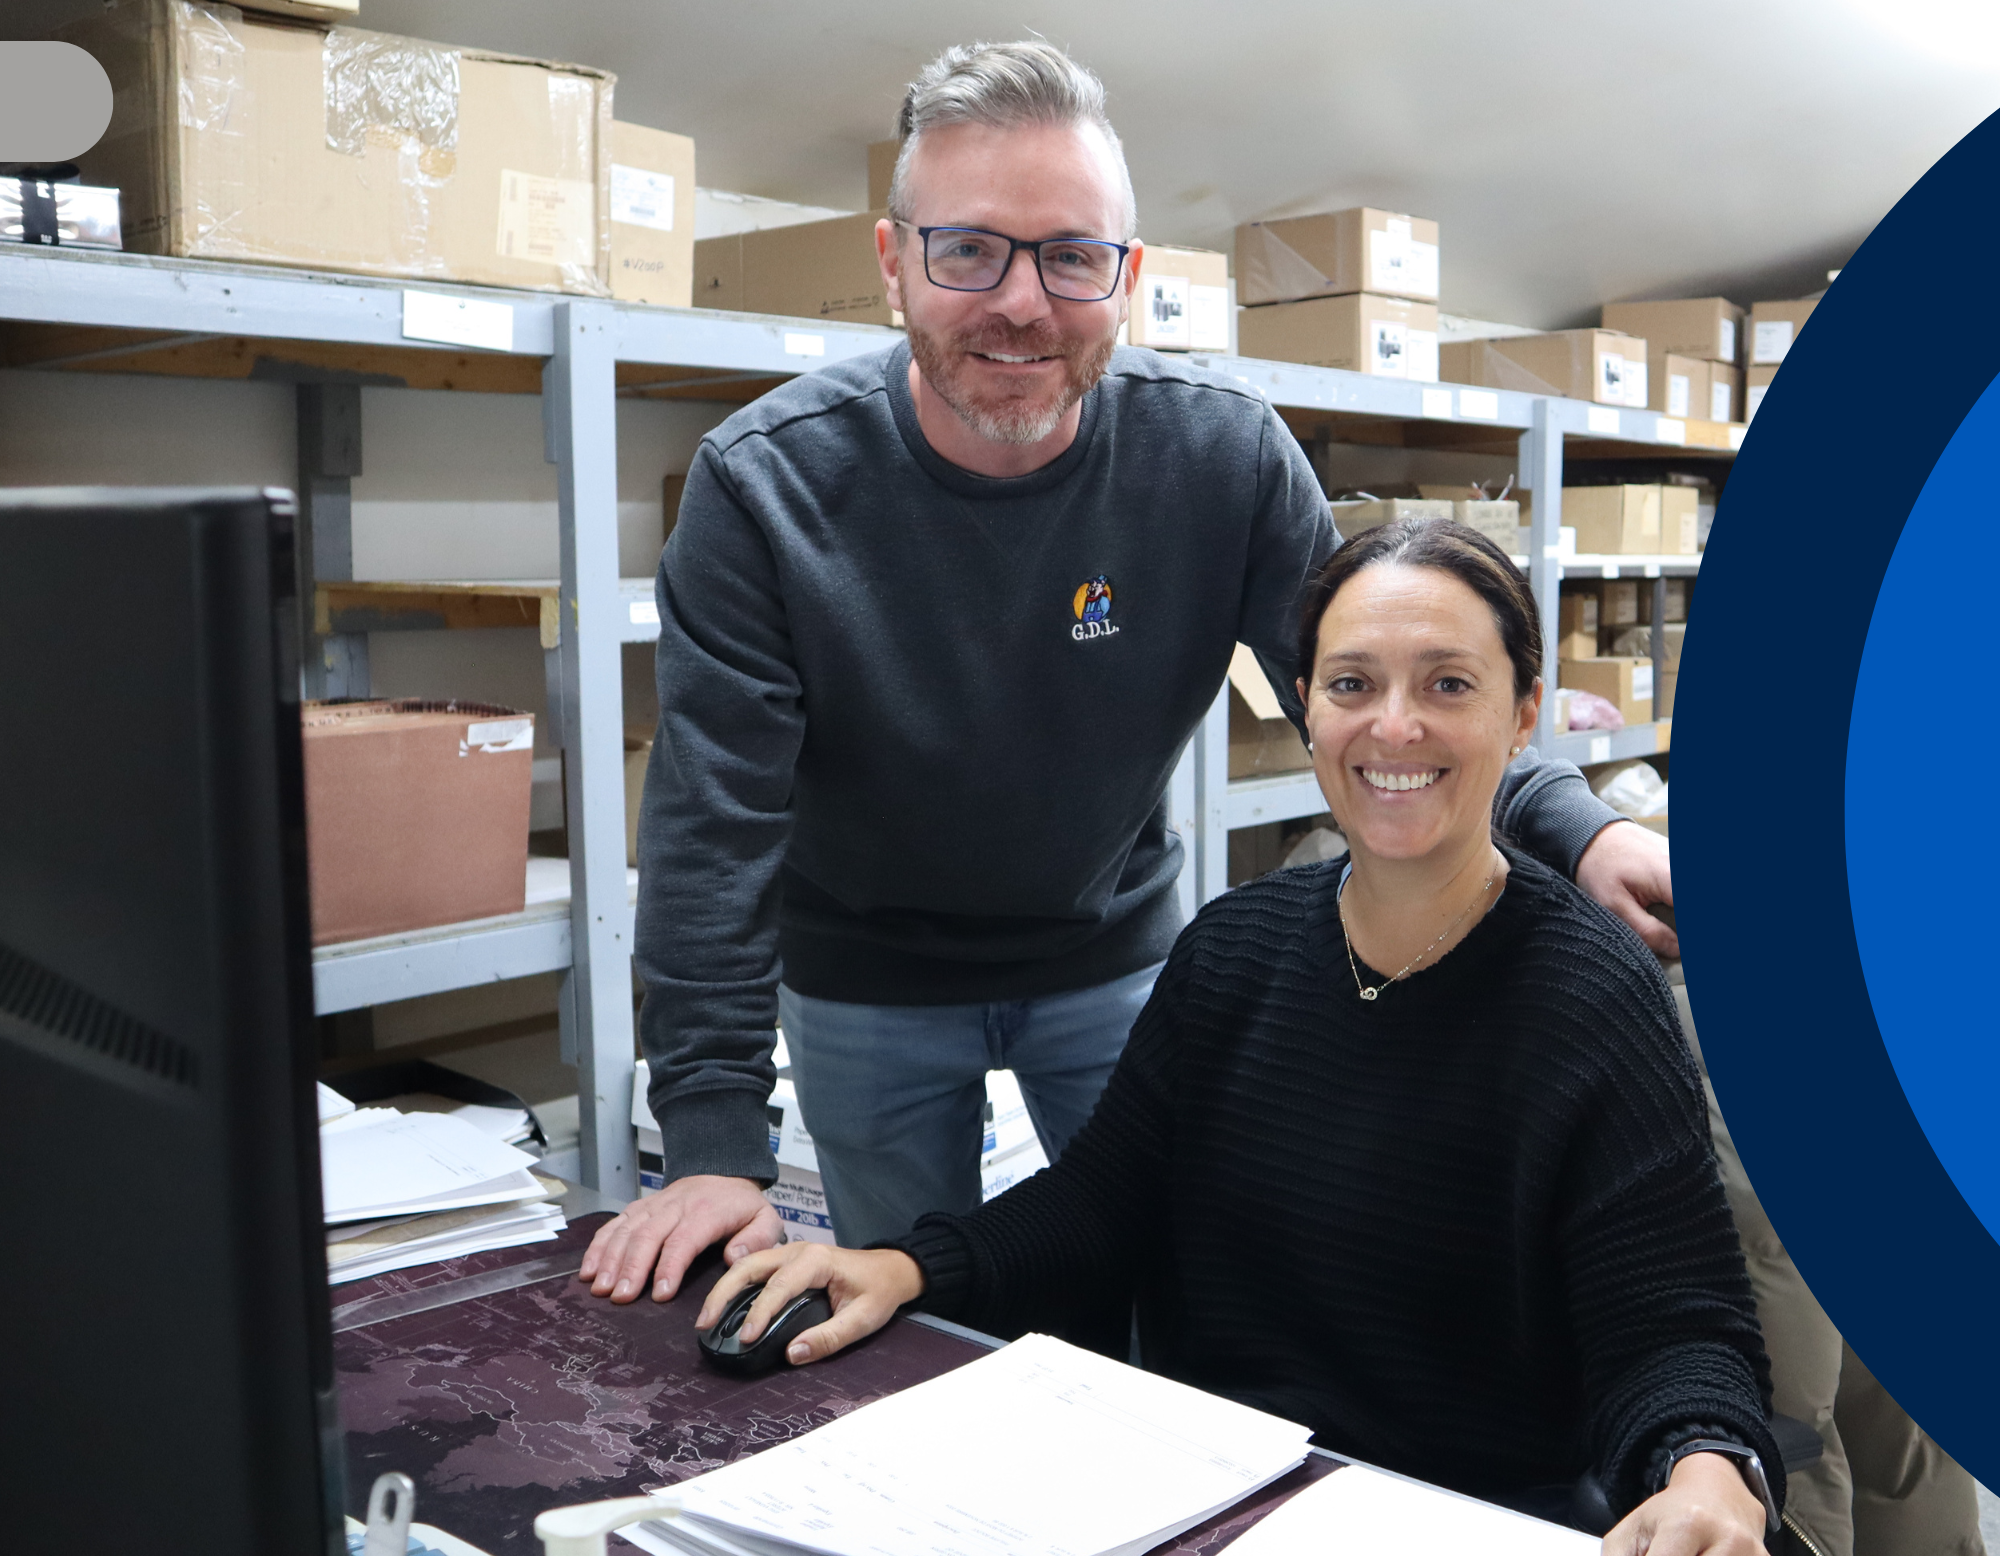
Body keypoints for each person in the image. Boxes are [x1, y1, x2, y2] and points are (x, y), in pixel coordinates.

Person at [580, 39, 1675, 1309]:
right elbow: (714, 827)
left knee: (1177, 1291)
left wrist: (1578, 830)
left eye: (1070, 255)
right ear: (892, 263)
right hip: (865, 980)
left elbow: (1393, 694)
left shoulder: (1220, 457)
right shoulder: (760, 485)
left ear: (1127, 276)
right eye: (969, 249)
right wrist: (714, 1143)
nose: (1023, 302)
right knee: (909, 1320)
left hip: (1116, 960)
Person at [699, 518, 1780, 1555]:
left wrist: (1702, 1460)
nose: (1392, 726)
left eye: (1447, 683)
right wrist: (899, 1264)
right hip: (1202, 1490)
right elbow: (1097, 1203)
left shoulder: (1589, 996)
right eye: (1352, 684)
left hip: (1457, 1513)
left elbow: (1671, 1324)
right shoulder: (1233, 948)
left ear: (1521, 713)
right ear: (1305, 705)